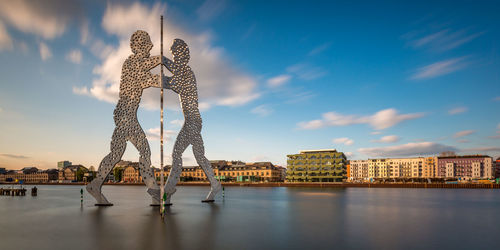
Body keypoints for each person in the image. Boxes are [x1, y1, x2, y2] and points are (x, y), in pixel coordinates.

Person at [86, 30, 169, 205]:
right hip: (126, 115)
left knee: (116, 152)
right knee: (144, 150)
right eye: (147, 43)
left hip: (124, 114)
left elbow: (149, 76)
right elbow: (149, 79)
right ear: (138, 46)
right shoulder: (131, 63)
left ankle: (95, 184)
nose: (151, 46)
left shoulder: (135, 63)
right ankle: (153, 189)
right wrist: (164, 63)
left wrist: (164, 67)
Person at [163, 39, 221, 204]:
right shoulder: (182, 72)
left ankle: (168, 191)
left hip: (192, 121)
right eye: (173, 56)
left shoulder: (186, 73)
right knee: (200, 156)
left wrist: (160, 64)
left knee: (176, 153)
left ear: (183, 56)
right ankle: (215, 184)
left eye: (176, 55)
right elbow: (171, 75)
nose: (174, 58)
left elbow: (170, 82)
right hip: (194, 120)